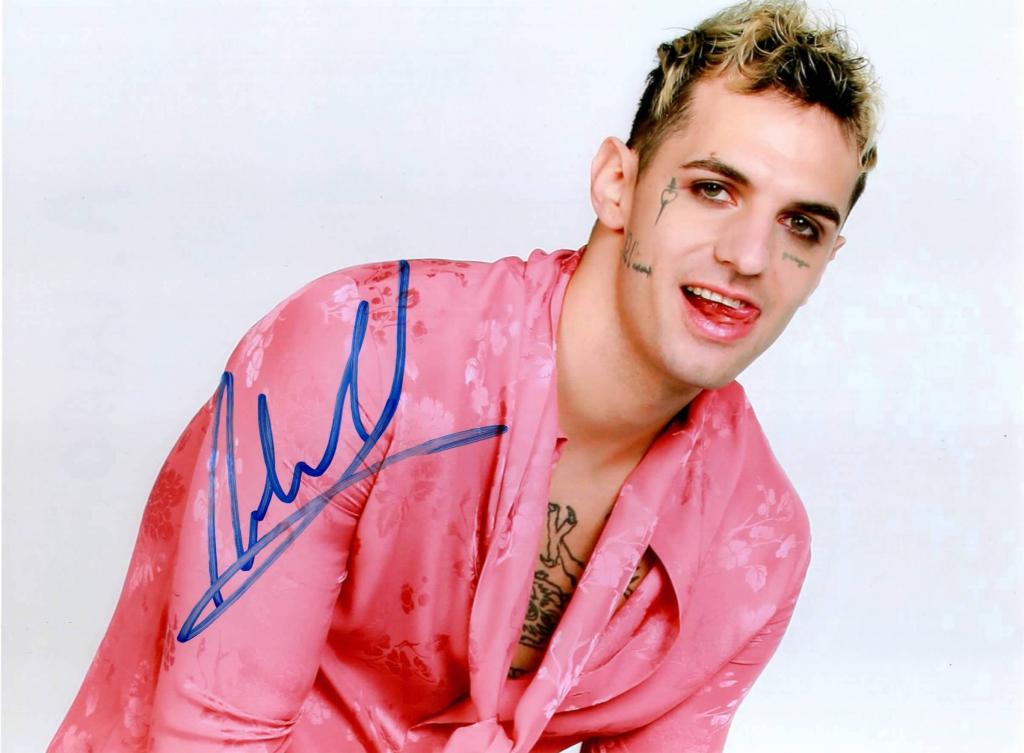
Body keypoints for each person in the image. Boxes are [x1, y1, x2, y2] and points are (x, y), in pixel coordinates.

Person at [49, 1, 880, 751]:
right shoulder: (363, 355)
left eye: (800, 225)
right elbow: (211, 737)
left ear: (827, 259)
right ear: (617, 185)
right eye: (712, 189)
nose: (749, 255)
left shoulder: (755, 541)